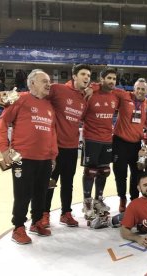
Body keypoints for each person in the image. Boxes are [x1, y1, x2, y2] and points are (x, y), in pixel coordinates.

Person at [0, 69, 58, 244]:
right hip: (21, 157)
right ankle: (18, 227)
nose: (48, 84)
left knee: (41, 193)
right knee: (23, 194)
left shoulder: (49, 106)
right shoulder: (20, 98)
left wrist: (53, 155)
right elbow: (3, 122)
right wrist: (3, 149)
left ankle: (37, 222)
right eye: (44, 81)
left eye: (49, 81)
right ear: (32, 83)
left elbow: (52, 132)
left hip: (45, 159)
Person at [42, 64, 91, 228]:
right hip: (54, 148)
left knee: (68, 183)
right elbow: (38, 95)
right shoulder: (57, 89)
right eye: (83, 74)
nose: (87, 78)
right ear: (74, 76)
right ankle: (44, 214)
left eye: (89, 76)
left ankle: (66, 213)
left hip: (71, 148)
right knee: (50, 182)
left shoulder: (83, 100)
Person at [81, 68, 119, 220]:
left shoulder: (115, 96)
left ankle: (98, 200)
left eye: (114, 79)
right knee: (90, 171)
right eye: (109, 78)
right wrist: (93, 87)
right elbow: (81, 115)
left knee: (104, 171)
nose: (112, 81)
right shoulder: (90, 94)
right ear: (101, 79)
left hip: (107, 139)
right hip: (91, 138)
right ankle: (87, 202)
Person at [111, 78, 147, 212]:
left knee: (137, 173)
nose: (140, 91)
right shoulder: (124, 96)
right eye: (138, 88)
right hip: (120, 142)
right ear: (134, 89)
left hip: (136, 145)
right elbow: (108, 87)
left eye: (143, 89)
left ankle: (134, 199)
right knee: (120, 173)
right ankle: (122, 198)